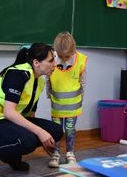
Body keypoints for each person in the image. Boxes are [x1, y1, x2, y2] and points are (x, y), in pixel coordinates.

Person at [0, 43, 63, 177]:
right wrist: (40, 132)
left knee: (55, 131)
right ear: (36, 62)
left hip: (6, 118)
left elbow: (30, 113)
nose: (55, 64)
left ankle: (11, 155)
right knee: (27, 140)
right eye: (51, 60)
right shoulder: (18, 74)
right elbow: (9, 112)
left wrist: (43, 136)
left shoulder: (39, 81)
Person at [46, 32, 88, 168]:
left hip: (73, 106)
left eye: (67, 56)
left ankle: (70, 153)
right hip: (57, 105)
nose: (64, 59)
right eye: (61, 56)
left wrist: (82, 97)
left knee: (70, 129)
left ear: (73, 51)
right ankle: (55, 153)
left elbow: (83, 82)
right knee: (56, 130)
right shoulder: (51, 59)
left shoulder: (80, 60)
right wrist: (49, 95)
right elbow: (48, 80)